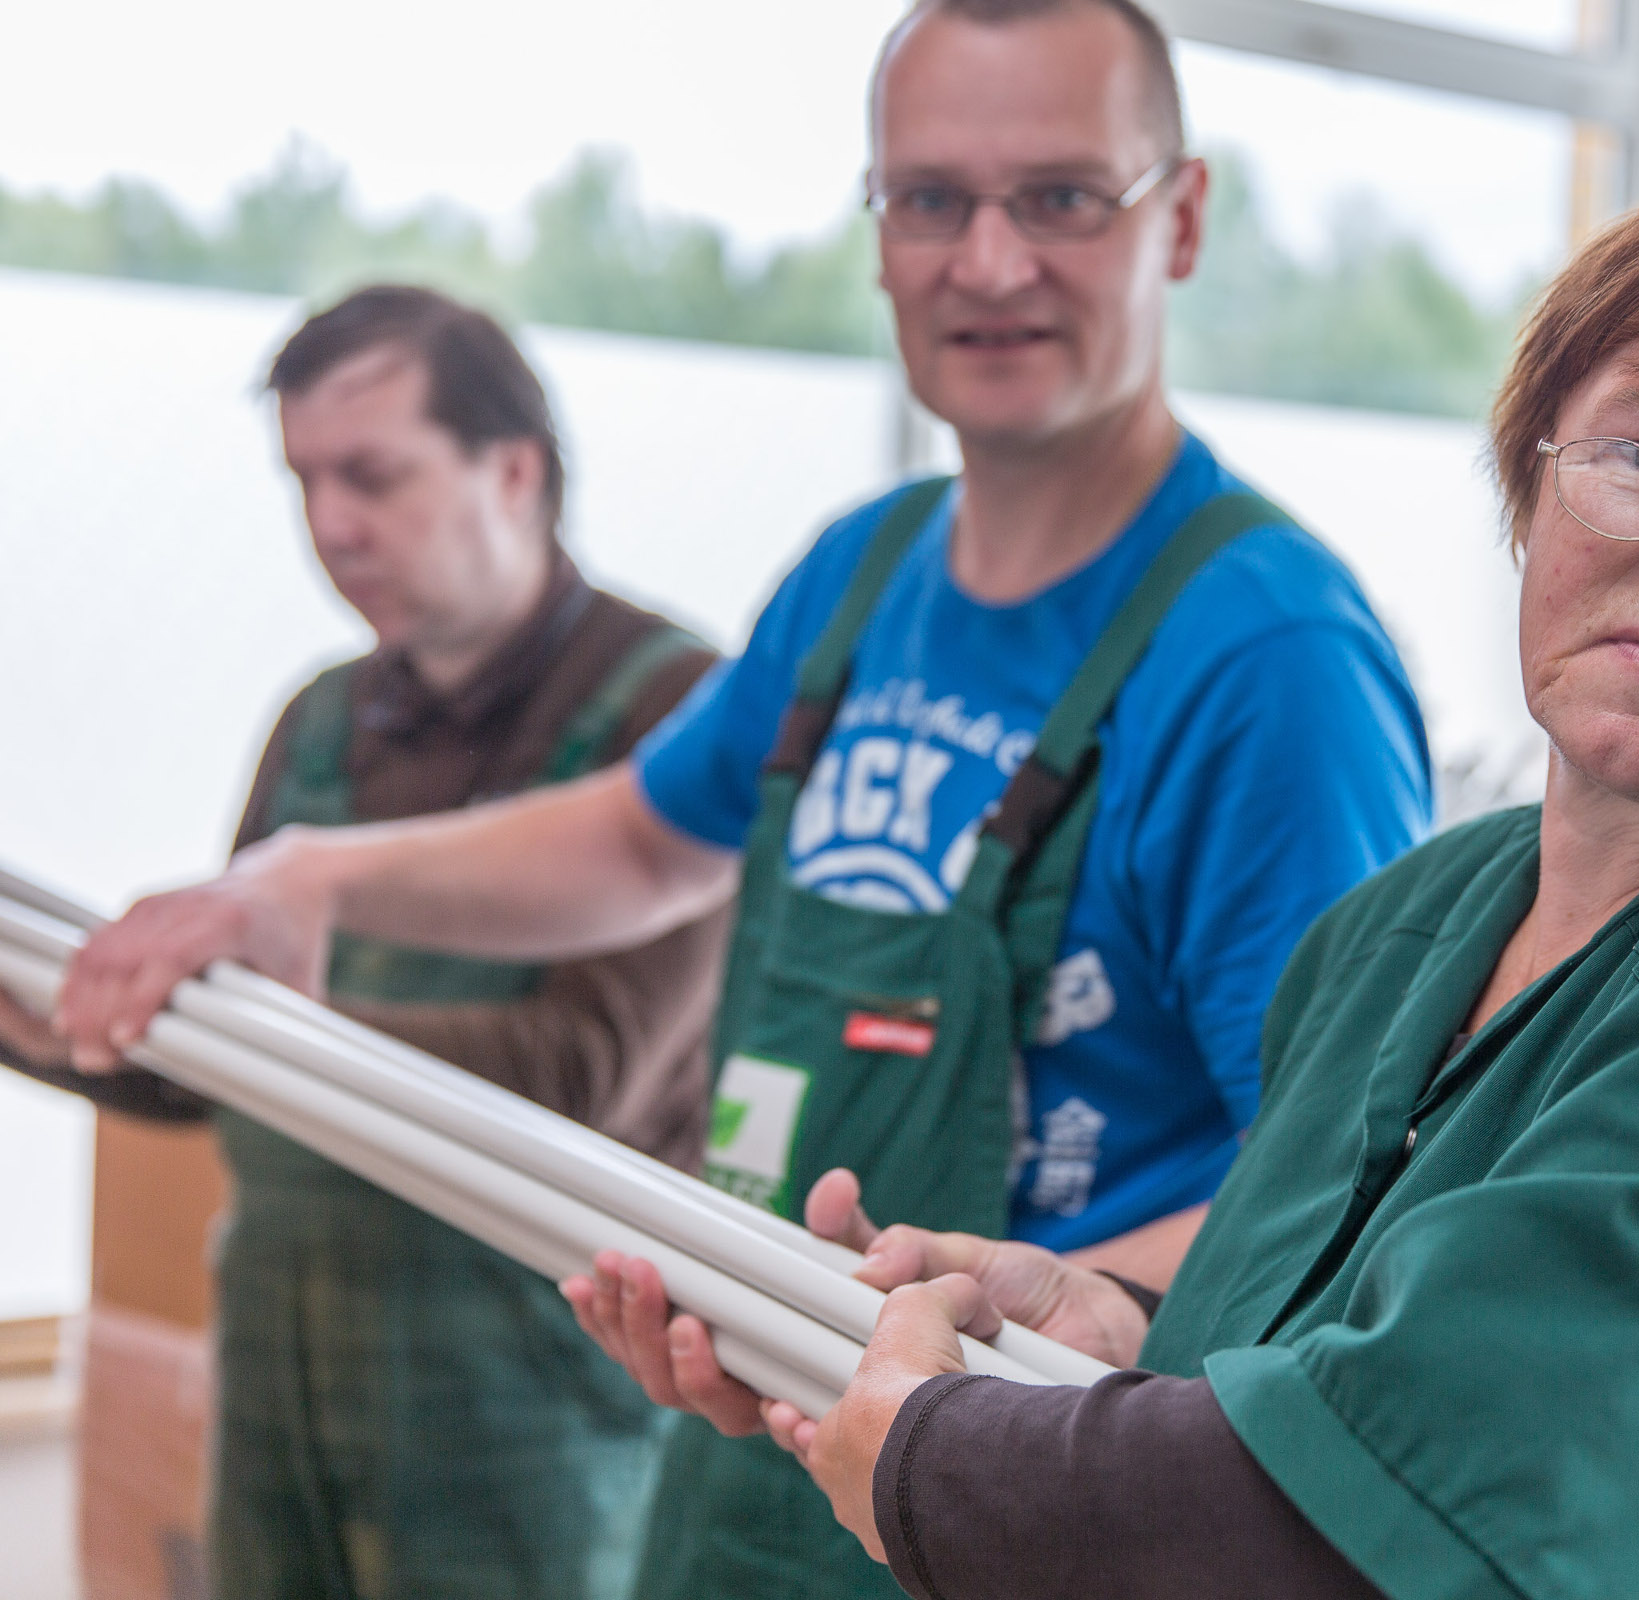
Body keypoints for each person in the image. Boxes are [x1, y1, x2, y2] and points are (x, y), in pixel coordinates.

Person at [51, 1, 1434, 1594]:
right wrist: (307, 883)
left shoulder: (1265, 658)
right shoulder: (862, 574)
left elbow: (1339, 1198)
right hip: (751, 1459)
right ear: (878, 228)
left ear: (1179, 218)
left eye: (1060, 197)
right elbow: (644, 836)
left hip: (1030, 1504)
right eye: (930, 201)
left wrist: (1008, 1312)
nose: (986, 263)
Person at [580, 163, 1639, 1599]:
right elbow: (1356, 1358)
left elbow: (1428, 1529)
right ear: (1531, 486)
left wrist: (935, 1452)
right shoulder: (1396, 937)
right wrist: (1115, 1325)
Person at [1, 284, 729, 1598]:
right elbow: (191, 1070)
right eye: (304, 482)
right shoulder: (320, 721)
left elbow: (580, 1072)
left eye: (373, 476)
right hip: (284, 1368)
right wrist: (58, 1013)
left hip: (534, 1395)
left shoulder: (675, 717)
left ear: (513, 468)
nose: (332, 526)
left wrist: (226, 1027)